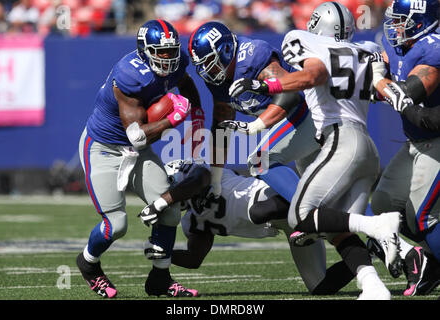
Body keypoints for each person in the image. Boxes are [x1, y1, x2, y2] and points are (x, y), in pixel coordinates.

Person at [229, 1, 402, 300]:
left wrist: (265, 89)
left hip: (336, 136)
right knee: (339, 224)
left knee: (301, 214)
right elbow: (383, 85)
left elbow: (312, 78)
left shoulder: (302, 40)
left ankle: (377, 225)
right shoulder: (363, 50)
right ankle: (375, 284)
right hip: (365, 145)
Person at [76, 19, 202, 298]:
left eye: (172, 51)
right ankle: (88, 262)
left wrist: (196, 115)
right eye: (162, 52)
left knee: (168, 208)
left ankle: (160, 278)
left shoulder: (177, 62)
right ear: (145, 50)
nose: (168, 58)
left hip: (137, 150)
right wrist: (173, 118)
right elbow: (137, 136)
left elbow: (185, 83)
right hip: (104, 148)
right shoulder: (130, 75)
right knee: (116, 225)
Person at [139, 158, 355, 295]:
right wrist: (165, 254)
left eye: (171, 191)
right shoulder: (192, 220)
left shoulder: (196, 171)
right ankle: (368, 253)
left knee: (257, 213)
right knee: (319, 287)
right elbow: (194, 259)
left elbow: (199, 179)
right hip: (287, 225)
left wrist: (161, 203)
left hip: (268, 197)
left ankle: (324, 206)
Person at [187, 20, 320, 207]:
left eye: (209, 61)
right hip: (297, 122)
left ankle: (307, 212)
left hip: (309, 111)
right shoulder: (218, 80)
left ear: (225, 51)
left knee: (260, 161)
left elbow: (290, 95)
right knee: (322, 189)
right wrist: (215, 178)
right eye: (201, 65)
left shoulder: (251, 56)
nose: (206, 71)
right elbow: (221, 126)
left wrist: (255, 126)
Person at [368, 0, 440, 296]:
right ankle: (431, 262)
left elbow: (407, 94)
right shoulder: (401, 44)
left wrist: (378, 79)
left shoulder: (433, 47)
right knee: (384, 205)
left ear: (422, 20)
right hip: (416, 140)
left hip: (435, 138)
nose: (394, 26)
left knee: (422, 215)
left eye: (401, 20)